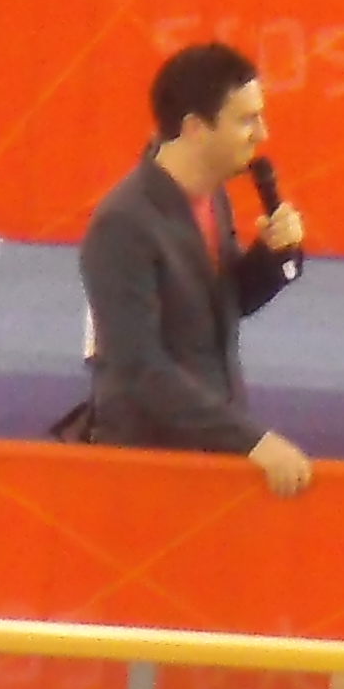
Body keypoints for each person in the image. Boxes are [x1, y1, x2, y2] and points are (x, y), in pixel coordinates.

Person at [66, 41, 309, 492]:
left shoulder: (210, 200)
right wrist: (254, 441)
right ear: (196, 128)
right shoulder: (123, 224)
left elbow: (214, 307)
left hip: (206, 456)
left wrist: (270, 259)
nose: (263, 134)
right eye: (247, 120)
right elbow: (138, 367)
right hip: (148, 473)